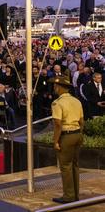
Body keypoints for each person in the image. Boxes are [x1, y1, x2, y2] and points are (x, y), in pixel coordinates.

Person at [50, 76, 84, 204]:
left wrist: (55, 141)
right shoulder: (77, 101)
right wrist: (79, 134)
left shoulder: (57, 103)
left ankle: (68, 196)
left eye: (55, 86)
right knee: (75, 165)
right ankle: (75, 195)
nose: (54, 88)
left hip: (66, 136)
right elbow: (82, 121)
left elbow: (58, 124)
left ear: (59, 87)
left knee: (65, 167)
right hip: (77, 134)